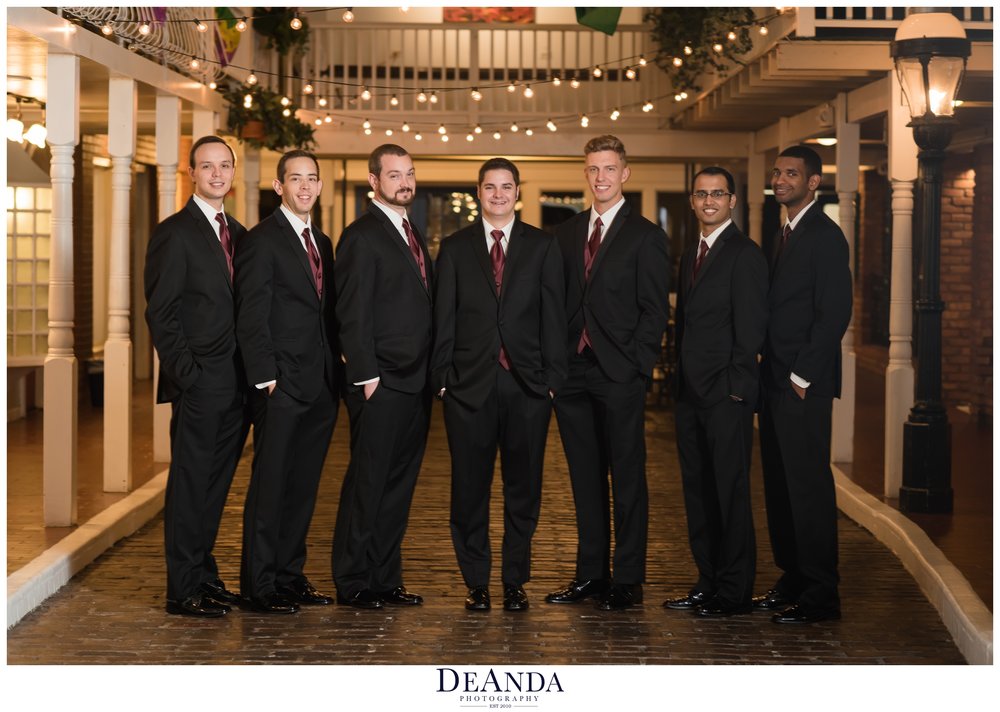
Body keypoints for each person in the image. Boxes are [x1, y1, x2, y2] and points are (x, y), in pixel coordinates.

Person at [431, 158, 567, 612]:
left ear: (517, 191)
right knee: (469, 489)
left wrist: (551, 381)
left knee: (523, 488)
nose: (498, 194)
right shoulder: (454, 248)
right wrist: (444, 382)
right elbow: (442, 320)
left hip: (528, 387)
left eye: (506, 187)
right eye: (490, 187)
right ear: (478, 192)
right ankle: (476, 581)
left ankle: (514, 579)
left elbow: (554, 317)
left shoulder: (543, 247)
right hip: (468, 388)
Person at [546, 135, 670, 611]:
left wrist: (638, 368)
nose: (601, 177)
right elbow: (555, 304)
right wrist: (557, 365)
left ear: (625, 174)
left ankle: (629, 577)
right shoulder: (566, 234)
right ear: (586, 174)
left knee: (628, 477)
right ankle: (590, 575)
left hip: (620, 373)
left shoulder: (645, 236)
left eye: (609, 169)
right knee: (584, 478)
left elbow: (653, 310)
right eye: (594, 169)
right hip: (573, 375)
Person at [144, 135, 251, 617]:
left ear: (233, 172)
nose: (217, 174)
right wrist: (190, 375)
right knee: (190, 486)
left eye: (224, 166)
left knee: (215, 487)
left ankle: (205, 577)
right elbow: (161, 314)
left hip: (238, 387)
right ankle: (181, 590)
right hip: (201, 383)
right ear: (192, 173)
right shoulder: (175, 233)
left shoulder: (243, 235)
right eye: (207, 166)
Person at [234, 149, 339, 614]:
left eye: (311, 179)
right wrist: (267, 379)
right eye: (294, 179)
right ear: (279, 187)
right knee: (270, 487)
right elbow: (251, 316)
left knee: (302, 487)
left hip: (319, 386)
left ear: (319, 186)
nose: (304, 186)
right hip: (281, 387)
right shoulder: (261, 240)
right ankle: (259, 586)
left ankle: (289, 576)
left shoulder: (324, 243)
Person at [663, 167, 768, 617]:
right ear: (692, 201)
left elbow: (751, 332)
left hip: (726, 397)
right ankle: (707, 581)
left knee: (730, 494)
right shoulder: (692, 254)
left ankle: (735, 591)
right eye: (701, 194)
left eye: (717, 194)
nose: (709, 201)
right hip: (690, 394)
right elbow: (686, 324)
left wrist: (735, 391)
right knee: (699, 494)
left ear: (732, 201)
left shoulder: (745, 255)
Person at [754, 145, 852, 624]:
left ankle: (821, 596)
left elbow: (833, 314)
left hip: (801, 387)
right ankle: (792, 576)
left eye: (792, 173)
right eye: (778, 172)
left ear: (813, 182)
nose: (781, 179)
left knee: (808, 490)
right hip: (773, 382)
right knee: (779, 486)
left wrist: (799, 377)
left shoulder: (825, 236)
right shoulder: (785, 232)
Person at [332, 144, 433, 609]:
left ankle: (385, 578)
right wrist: (367, 376)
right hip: (381, 382)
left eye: (408, 173)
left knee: (398, 487)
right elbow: (350, 312)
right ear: (374, 181)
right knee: (368, 485)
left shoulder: (412, 231)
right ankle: (354, 579)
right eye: (394, 175)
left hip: (415, 383)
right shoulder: (361, 236)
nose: (404, 182)